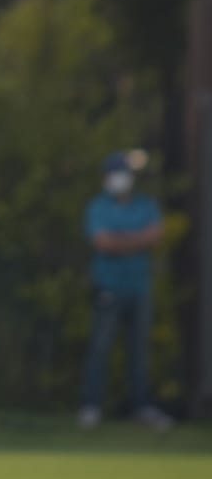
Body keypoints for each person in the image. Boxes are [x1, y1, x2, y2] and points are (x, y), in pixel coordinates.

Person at [78, 151, 173, 430]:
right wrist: (137, 240)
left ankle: (141, 407)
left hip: (139, 288)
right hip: (108, 288)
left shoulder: (145, 205)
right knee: (100, 348)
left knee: (139, 352)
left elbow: (155, 236)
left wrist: (121, 241)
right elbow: (103, 243)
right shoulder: (99, 207)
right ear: (107, 177)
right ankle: (91, 407)